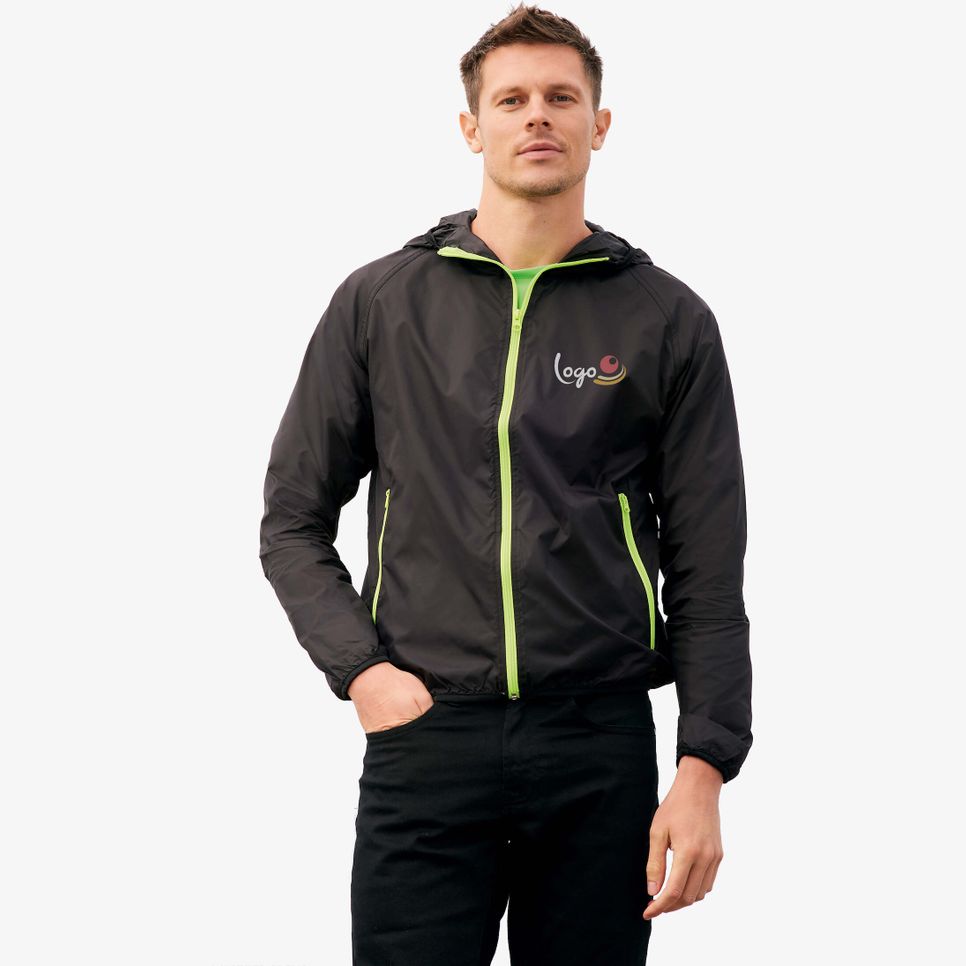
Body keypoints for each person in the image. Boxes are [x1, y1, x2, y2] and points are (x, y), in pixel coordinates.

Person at [258, 4, 752, 963]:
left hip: (598, 743)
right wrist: (362, 673)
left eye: (561, 98)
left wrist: (705, 764)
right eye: (512, 99)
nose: (538, 117)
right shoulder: (381, 302)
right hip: (428, 736)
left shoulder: (665, 318)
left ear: (598, 126)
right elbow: (291, 520)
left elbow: (709, 566)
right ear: (470, 126)